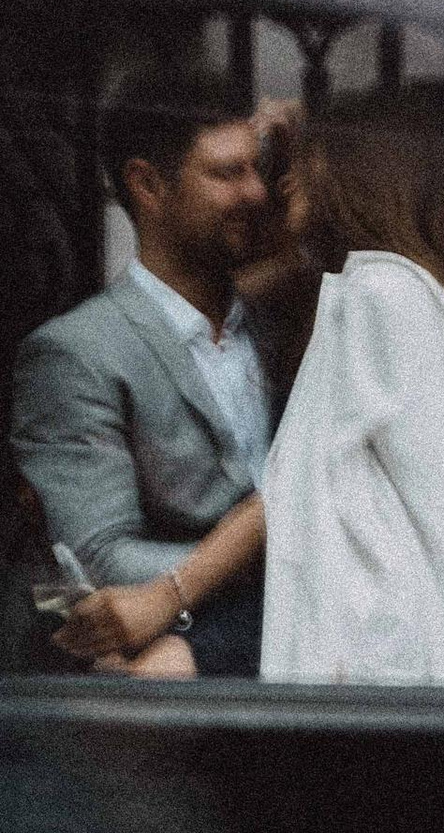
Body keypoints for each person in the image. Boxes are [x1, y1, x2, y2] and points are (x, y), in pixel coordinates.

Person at [259, 100, 444, 685]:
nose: (283, 180)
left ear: (343, 172)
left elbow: (440, 496)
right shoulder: (374, 291)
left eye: (301, 161)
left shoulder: (381, 296)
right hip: (385, 653)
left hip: (379, 656)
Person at [12, 79, 280, 678]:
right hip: (177, 685)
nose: (256, 192)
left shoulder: (284, 329)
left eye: (257, 169)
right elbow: (97, 559)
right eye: (226, 174)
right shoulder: (77, 354)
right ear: (147, 185)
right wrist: (286, 554)